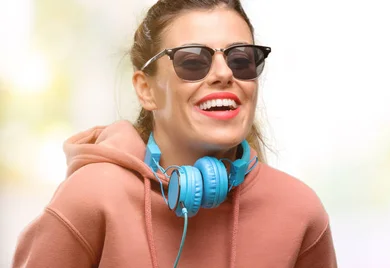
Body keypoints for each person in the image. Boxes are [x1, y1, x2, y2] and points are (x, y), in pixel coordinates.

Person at [11, 0, 337, 267]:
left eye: (241, 59)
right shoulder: (91, 197)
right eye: (193, 61)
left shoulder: (300, 212)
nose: (224, 73)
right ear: (146, 90)